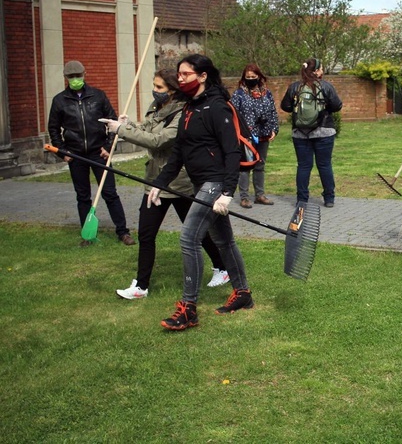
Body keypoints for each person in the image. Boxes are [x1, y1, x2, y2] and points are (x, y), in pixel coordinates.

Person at [99, 69, 231, 300]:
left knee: (197, 233)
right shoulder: (156, 107)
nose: (155, 91)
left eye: (159, 87)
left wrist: (122, 131)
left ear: (172, 90)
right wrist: (128, 125)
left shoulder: (183, 113)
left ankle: (222, 268)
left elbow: (159, 141)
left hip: (178, 183)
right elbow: (147, 130)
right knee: (147, 234)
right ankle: (141, 286)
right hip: (154, 182)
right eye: (154, 86)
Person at [148, 54, 254, 330]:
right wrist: (160, 183)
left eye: (185, 74)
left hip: (215, 184)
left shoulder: (218, 107)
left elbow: (232, 152)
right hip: (200, 184)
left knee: (188, 238)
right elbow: (179, 153)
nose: (180, 79)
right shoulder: (189, 108)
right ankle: (243, 294)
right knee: (224, 241)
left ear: (203, 76)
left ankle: (189, 309)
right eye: (179, 75)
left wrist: (227, 192)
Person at [47, 60, 135, 247]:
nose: (75, 79)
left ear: (84, 74)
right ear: (66, 78)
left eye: (78, 76)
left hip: (99, 153)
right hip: (76, 155)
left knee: (110, 193)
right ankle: (87, 235)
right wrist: (63, 152)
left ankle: (123, 232)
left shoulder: (98, 96)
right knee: (83, 196)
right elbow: (53, 129)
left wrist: (109, 147)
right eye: (71, 77)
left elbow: (112, 122)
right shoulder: (59, 101)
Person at [280, 58, 343, 208]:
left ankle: (302, 199)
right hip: (324, 131)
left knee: (303, 166)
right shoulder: (326, 86)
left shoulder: (295, 87)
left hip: (300, 134)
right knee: (325, 165)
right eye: (321, 68)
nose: (322, 71)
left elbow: (285, 106)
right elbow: (337, 105)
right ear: (316, 71)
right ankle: (329, 198)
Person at [230, 63, 279, 209]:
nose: (251, 79)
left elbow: (273, 112)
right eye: (248, 77)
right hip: (247, 136)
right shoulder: (239, 94)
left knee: (260, 165)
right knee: (246, 166)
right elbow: (233, 114)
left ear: (259, 76)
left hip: (264, 134)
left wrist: (274, 129)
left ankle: (260, 195)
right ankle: (244, 197)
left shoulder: (266, 93)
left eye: (254, 76)